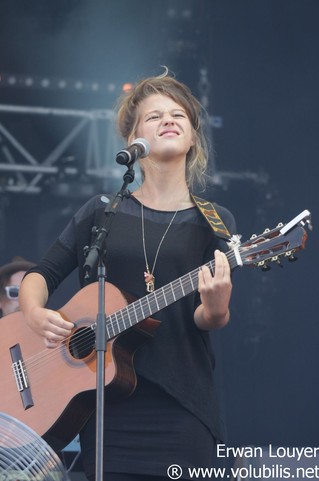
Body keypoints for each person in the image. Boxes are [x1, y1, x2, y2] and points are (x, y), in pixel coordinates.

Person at [19, 70, 237, 481]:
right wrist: (32, 313)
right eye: (154, 116)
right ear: (133, 141)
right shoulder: (104, 211)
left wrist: (217, 307)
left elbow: (208, 319)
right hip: (105, 407)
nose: (168, 120)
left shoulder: (215, 221)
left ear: (193, 138)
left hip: (181, 403)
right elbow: (41, 273)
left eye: (179, 115)